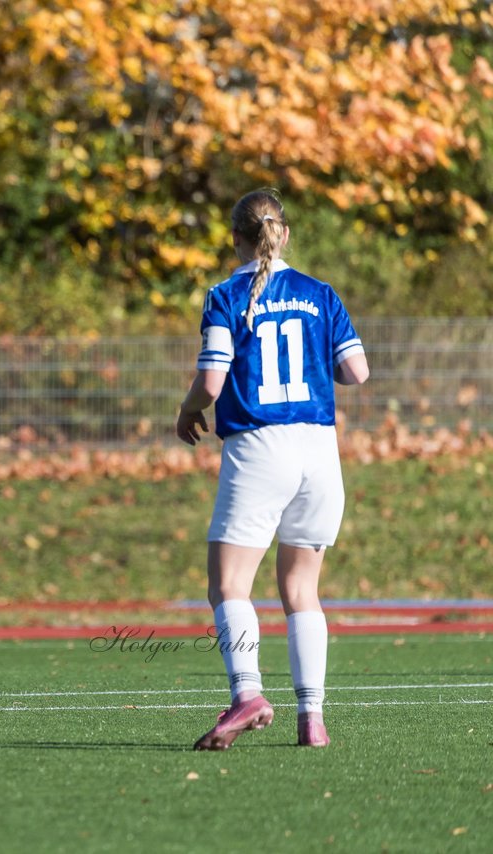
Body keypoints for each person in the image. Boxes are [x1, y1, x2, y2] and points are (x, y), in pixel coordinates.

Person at [175, 189, 370, 750]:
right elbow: (356, 372)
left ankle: (248, 694)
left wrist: (188, 411)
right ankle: (313, 720)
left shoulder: (225, 295)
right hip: (319, 451)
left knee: (230, 583)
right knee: (301, 591)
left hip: (260, 447)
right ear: (283, 233)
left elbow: (212, 383)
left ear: (236, 238)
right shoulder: (321, 293)